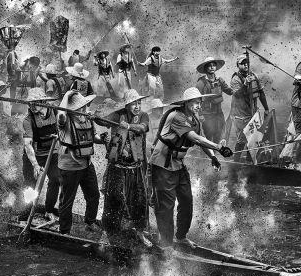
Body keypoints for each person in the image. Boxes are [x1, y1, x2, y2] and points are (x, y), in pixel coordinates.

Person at [149, 87, 233, 250]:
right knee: (166, 206)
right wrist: (218, 147)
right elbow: (194, 138)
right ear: (186, 103)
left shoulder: (194, 120)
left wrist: (213, 157)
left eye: (200, 102)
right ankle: (166, 245)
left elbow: (202, 139)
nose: (198, 105)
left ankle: (181, 237)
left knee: (187, 200)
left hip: (178, 165)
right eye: (195, 102)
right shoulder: (176, 116)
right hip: (162, 165)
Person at [56, 90, 108, 235]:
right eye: (80, 107)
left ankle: (90, 222)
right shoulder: (64, 121)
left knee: (94, 195)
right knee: (67, 200)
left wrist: (103, 139)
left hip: (86, 164)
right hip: (70, 166)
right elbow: (61, 114)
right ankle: (64, 230)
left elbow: (94, 137)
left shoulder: (87, 119)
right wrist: (66, 95)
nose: (83, 110)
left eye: (84, 106)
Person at [102, 89, 150, 241]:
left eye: (139, 103)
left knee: (140, 200)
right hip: (117, 167)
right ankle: (109, 232)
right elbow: (102, 121)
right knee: (114, 198)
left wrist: (128, 126)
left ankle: (140, 231)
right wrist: (95, 116)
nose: (137, 106)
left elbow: (143, 128)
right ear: (127, 105)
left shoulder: (143, 115)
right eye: (134, 103)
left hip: (136, 167)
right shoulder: (117, 115)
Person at [22, 88, 61, 219]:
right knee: (31, 184)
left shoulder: (55, 111)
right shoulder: (28, 120)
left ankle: (49, 210)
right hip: (34, 155)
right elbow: (28, 144)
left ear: (44, 101)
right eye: (30, 103)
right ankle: (27, 213)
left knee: (56, 179)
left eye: (35, 103)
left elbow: (65, 125)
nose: (32, 106)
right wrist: (35, 165)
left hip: (52, 152)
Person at [227, 54, 269, 161]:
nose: (245, 65)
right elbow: (237, 95)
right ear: (238, 65)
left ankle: (250, 161)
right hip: (240, 114)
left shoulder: (254, 76)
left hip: (252, 112)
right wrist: (245, 84)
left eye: (247, 63)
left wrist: (266, 108)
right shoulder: (235, 79)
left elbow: (261, 93)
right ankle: (236, 161)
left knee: (253, 139)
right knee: (242, 139)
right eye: (242, 63)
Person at [195, 56, 232, 143]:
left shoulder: (219, 80)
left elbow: (230, 91)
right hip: (207, 114)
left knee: (219, 134)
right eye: (209, 65)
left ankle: (216, 151)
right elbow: (197, 99)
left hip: (219, 113)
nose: (212, 67)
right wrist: (200, 114)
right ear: (206, 68)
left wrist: (244, 85)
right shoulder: (201, 82)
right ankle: (209, 151)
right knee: (209, 135)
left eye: (213, 65)